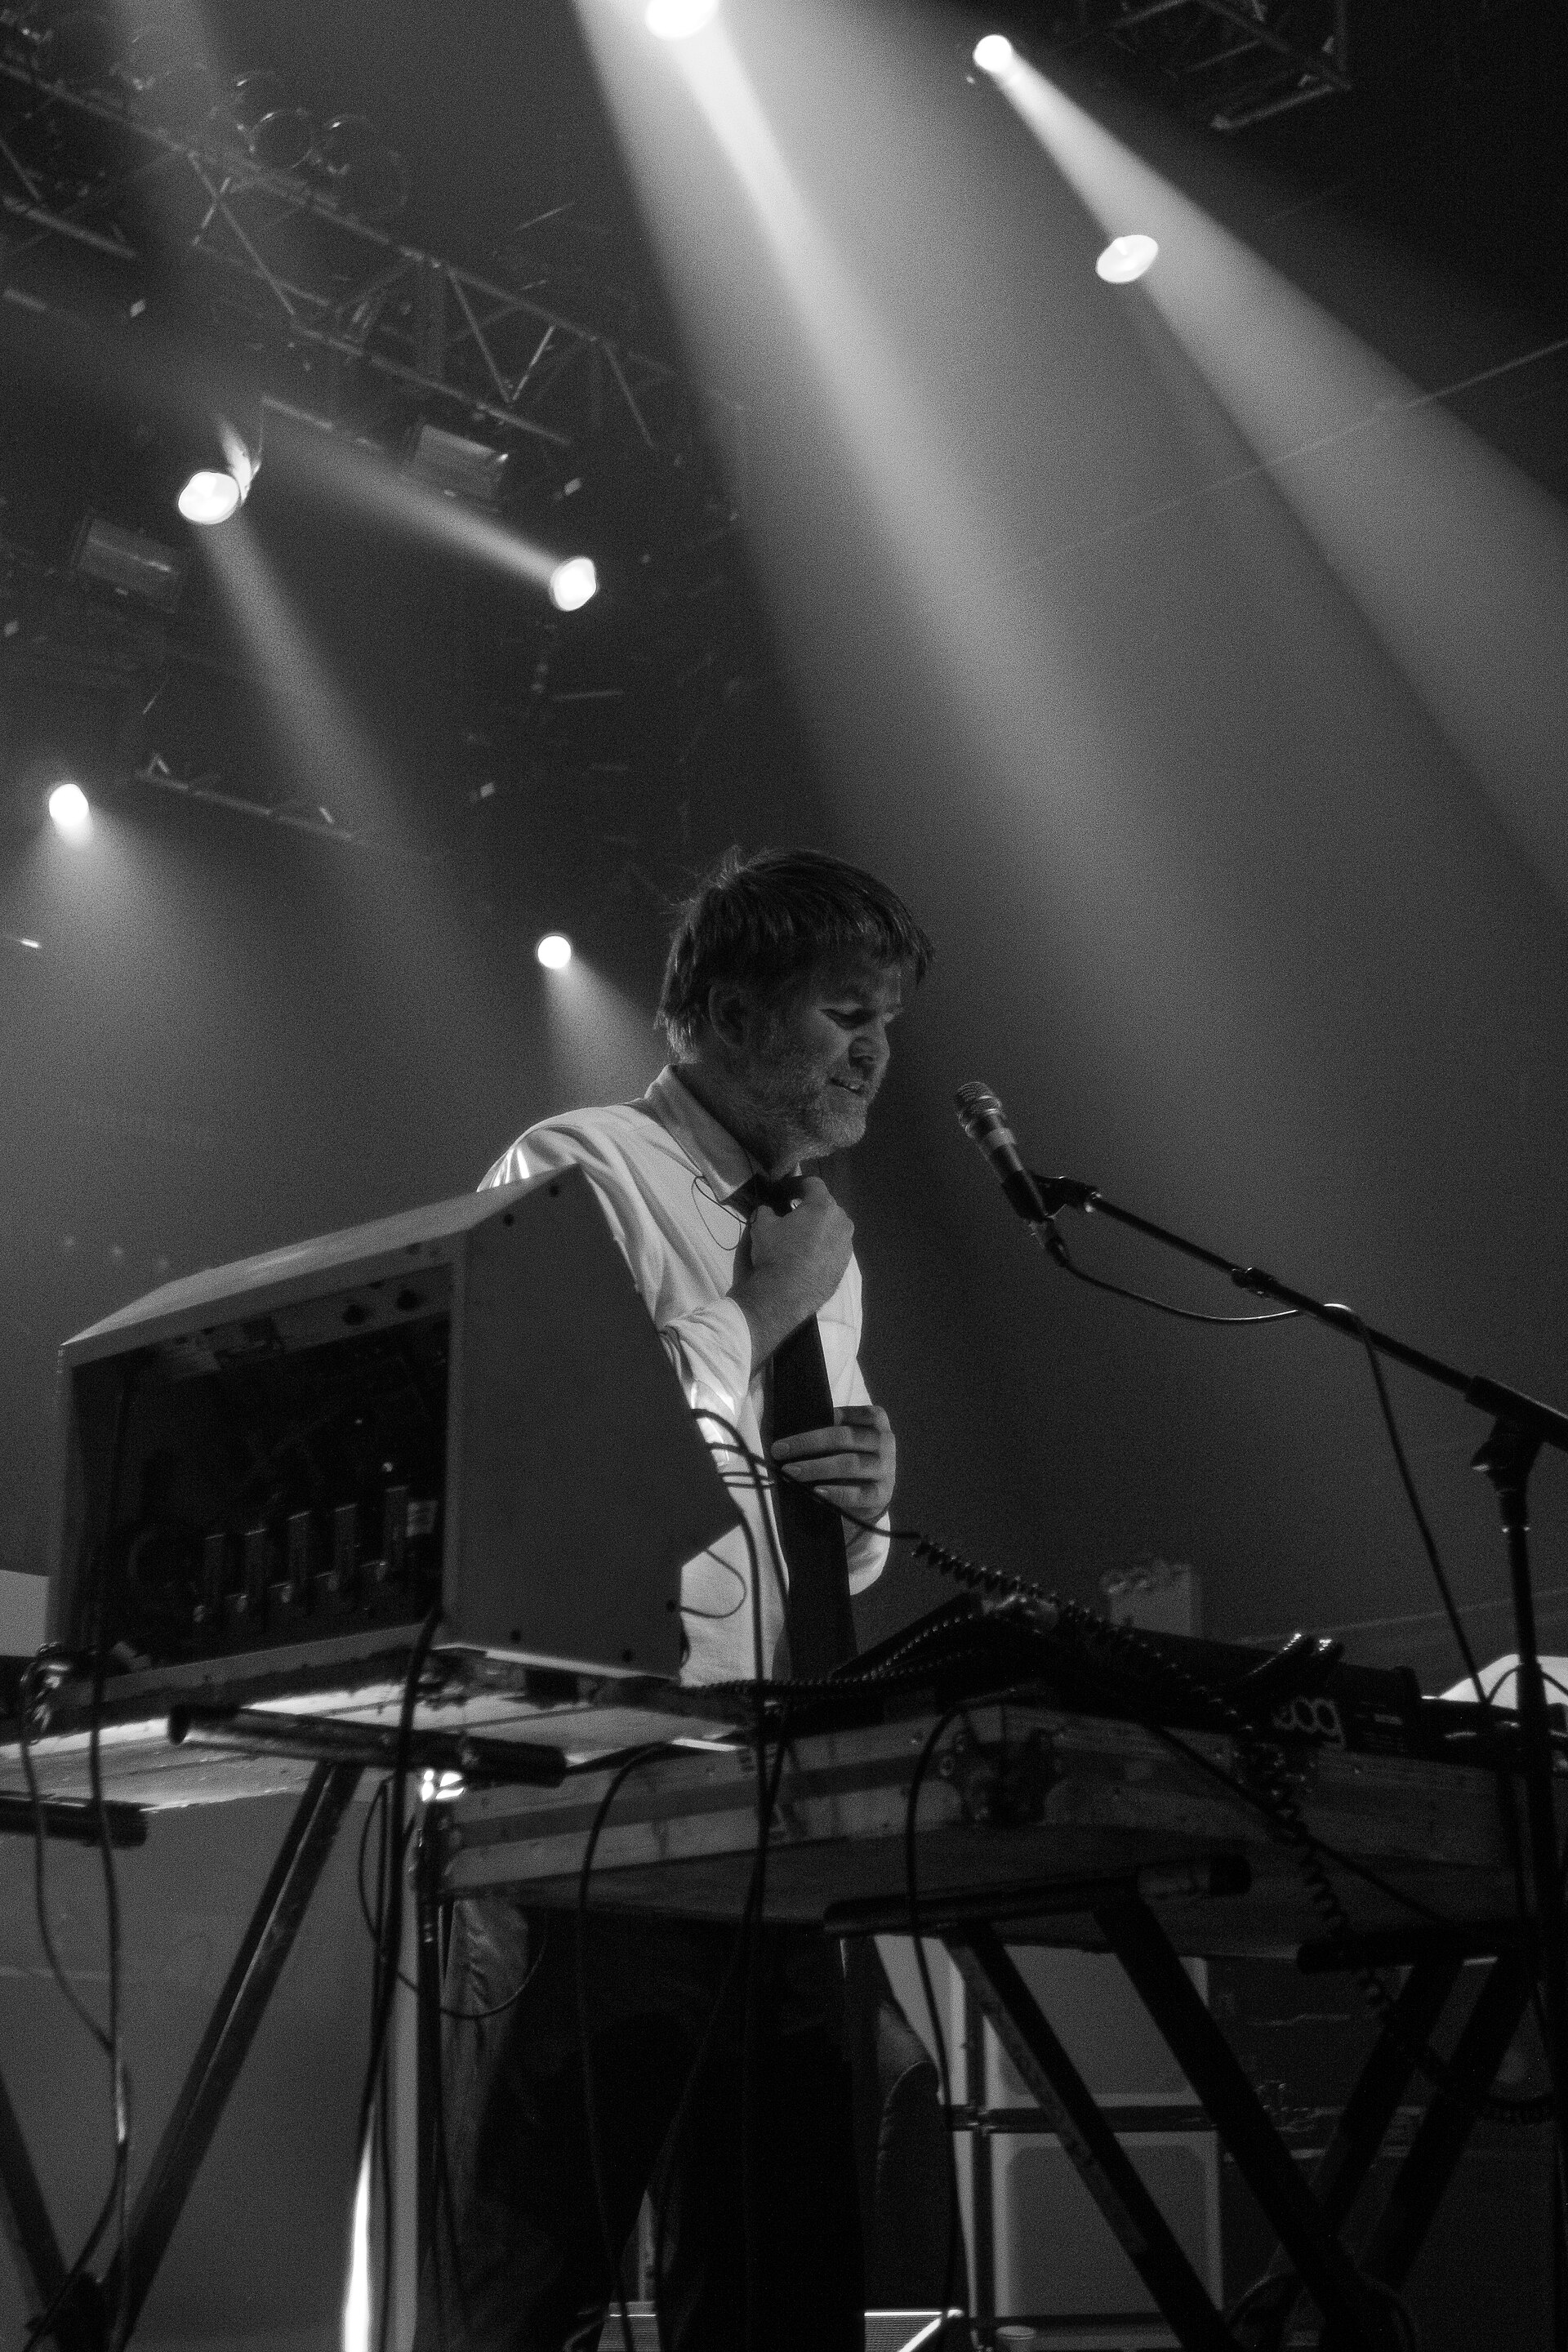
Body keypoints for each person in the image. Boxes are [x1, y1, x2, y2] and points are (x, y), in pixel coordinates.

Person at [417, 847, 935, 2352]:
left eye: (887, 1023)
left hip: (765, 1808)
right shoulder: (574, 1166)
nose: (873, 1054)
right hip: (592, 1804)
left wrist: (860, 1505)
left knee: (780, 2274)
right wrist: (757, 1310)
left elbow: (779, 1550)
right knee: (535, 2272)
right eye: (845, 1011)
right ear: (717, 1010)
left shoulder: (819, 1239)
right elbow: (559, 1468)